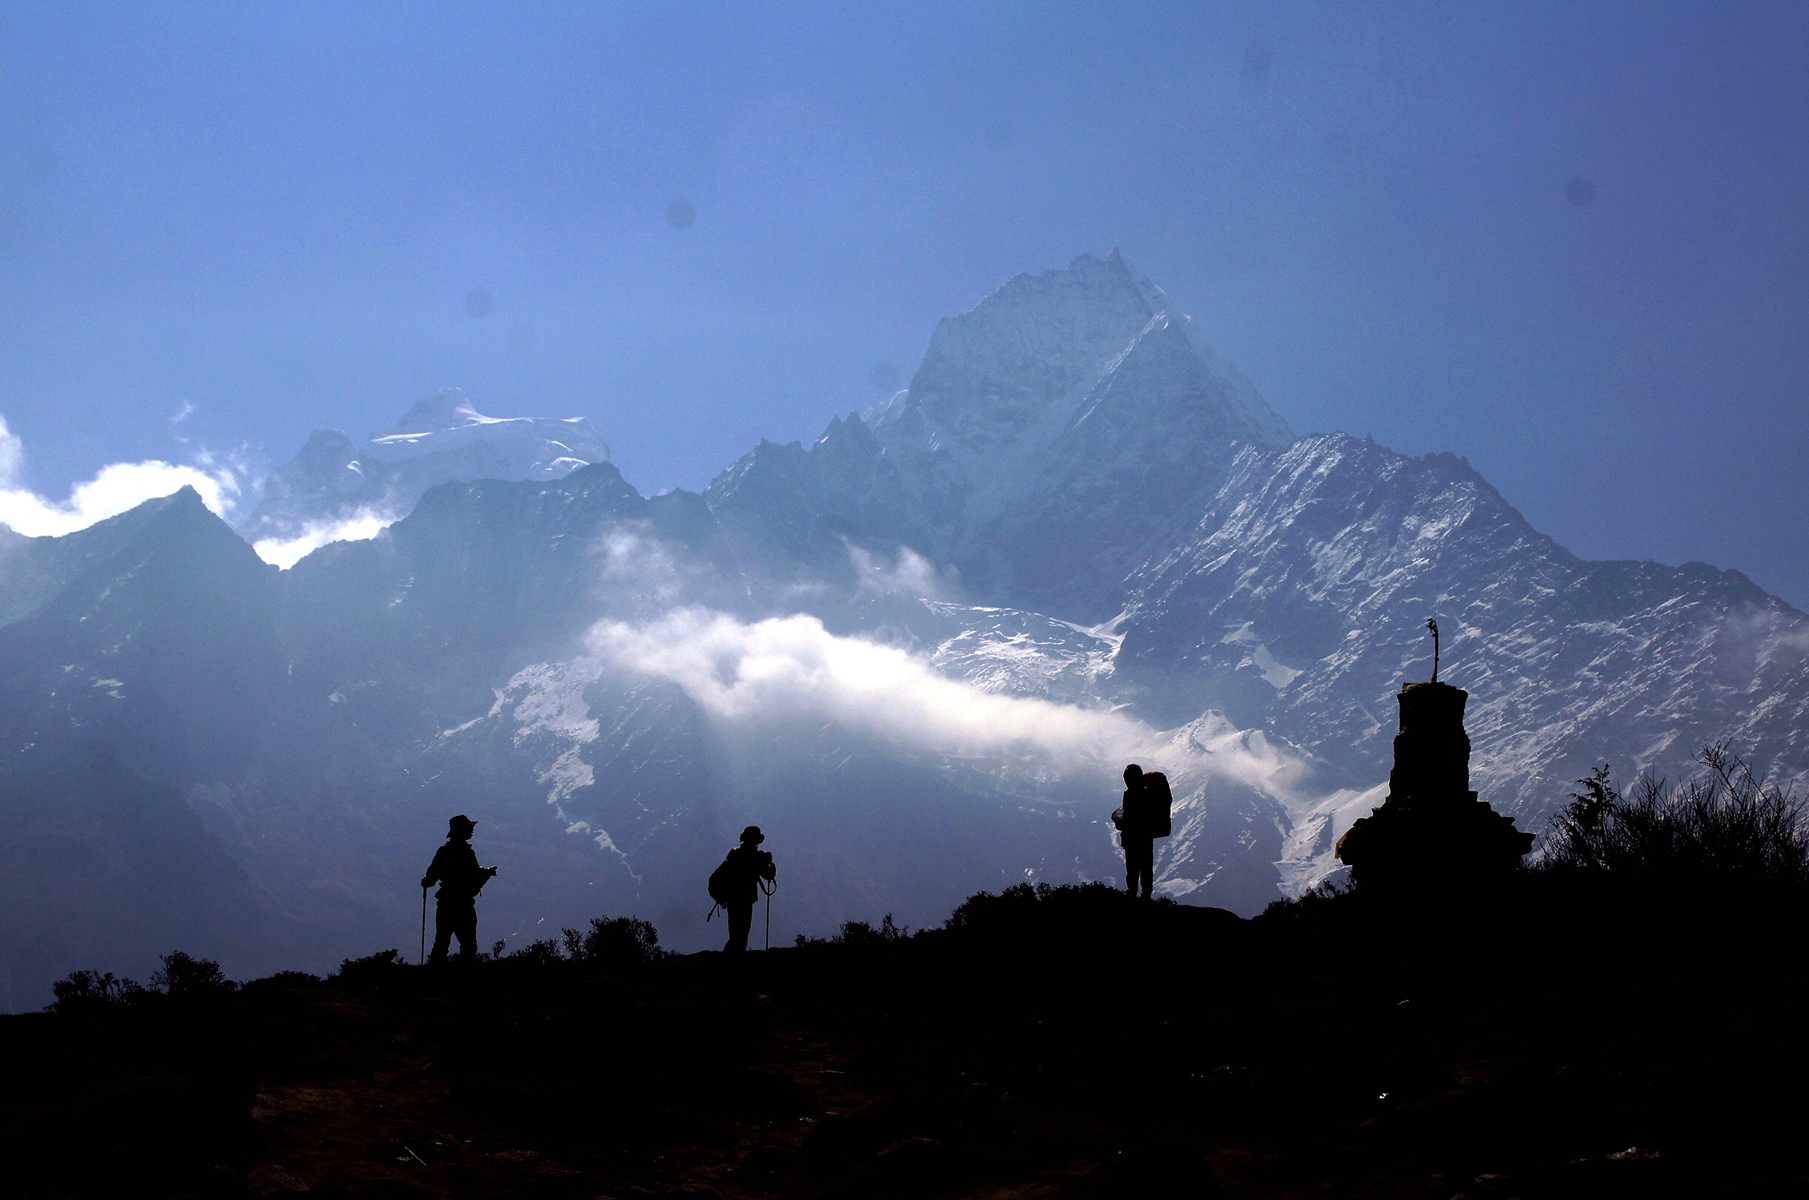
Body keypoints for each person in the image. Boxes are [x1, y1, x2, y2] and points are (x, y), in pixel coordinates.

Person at [421, 814, 498, 964]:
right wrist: (487, 873)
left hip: (446, 903)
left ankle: (433, 974)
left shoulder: (444, 852)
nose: (472, 831)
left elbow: (431, 877)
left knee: (442, 942)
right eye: (468, 828)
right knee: (468, 944)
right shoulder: (467, 853)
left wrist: (426, 881)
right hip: (463, 904)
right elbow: (474, 874)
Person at [711, 825, 776, 953]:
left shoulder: (735, 855)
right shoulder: (754, 857)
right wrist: (770, 863)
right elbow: (769, 874)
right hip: (746, 900)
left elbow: (715, 877)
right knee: (741, 936)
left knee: (735, 935)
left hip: (733, 900)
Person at [1113, 764, 1159, 901]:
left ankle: (1132, 893)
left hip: (1133, 837)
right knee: (1145, 868)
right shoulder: (1148, 793)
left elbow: (1130, 817)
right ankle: (1146, 895)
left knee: (1132, 869)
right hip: (1145, 837)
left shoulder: (1129, 795)